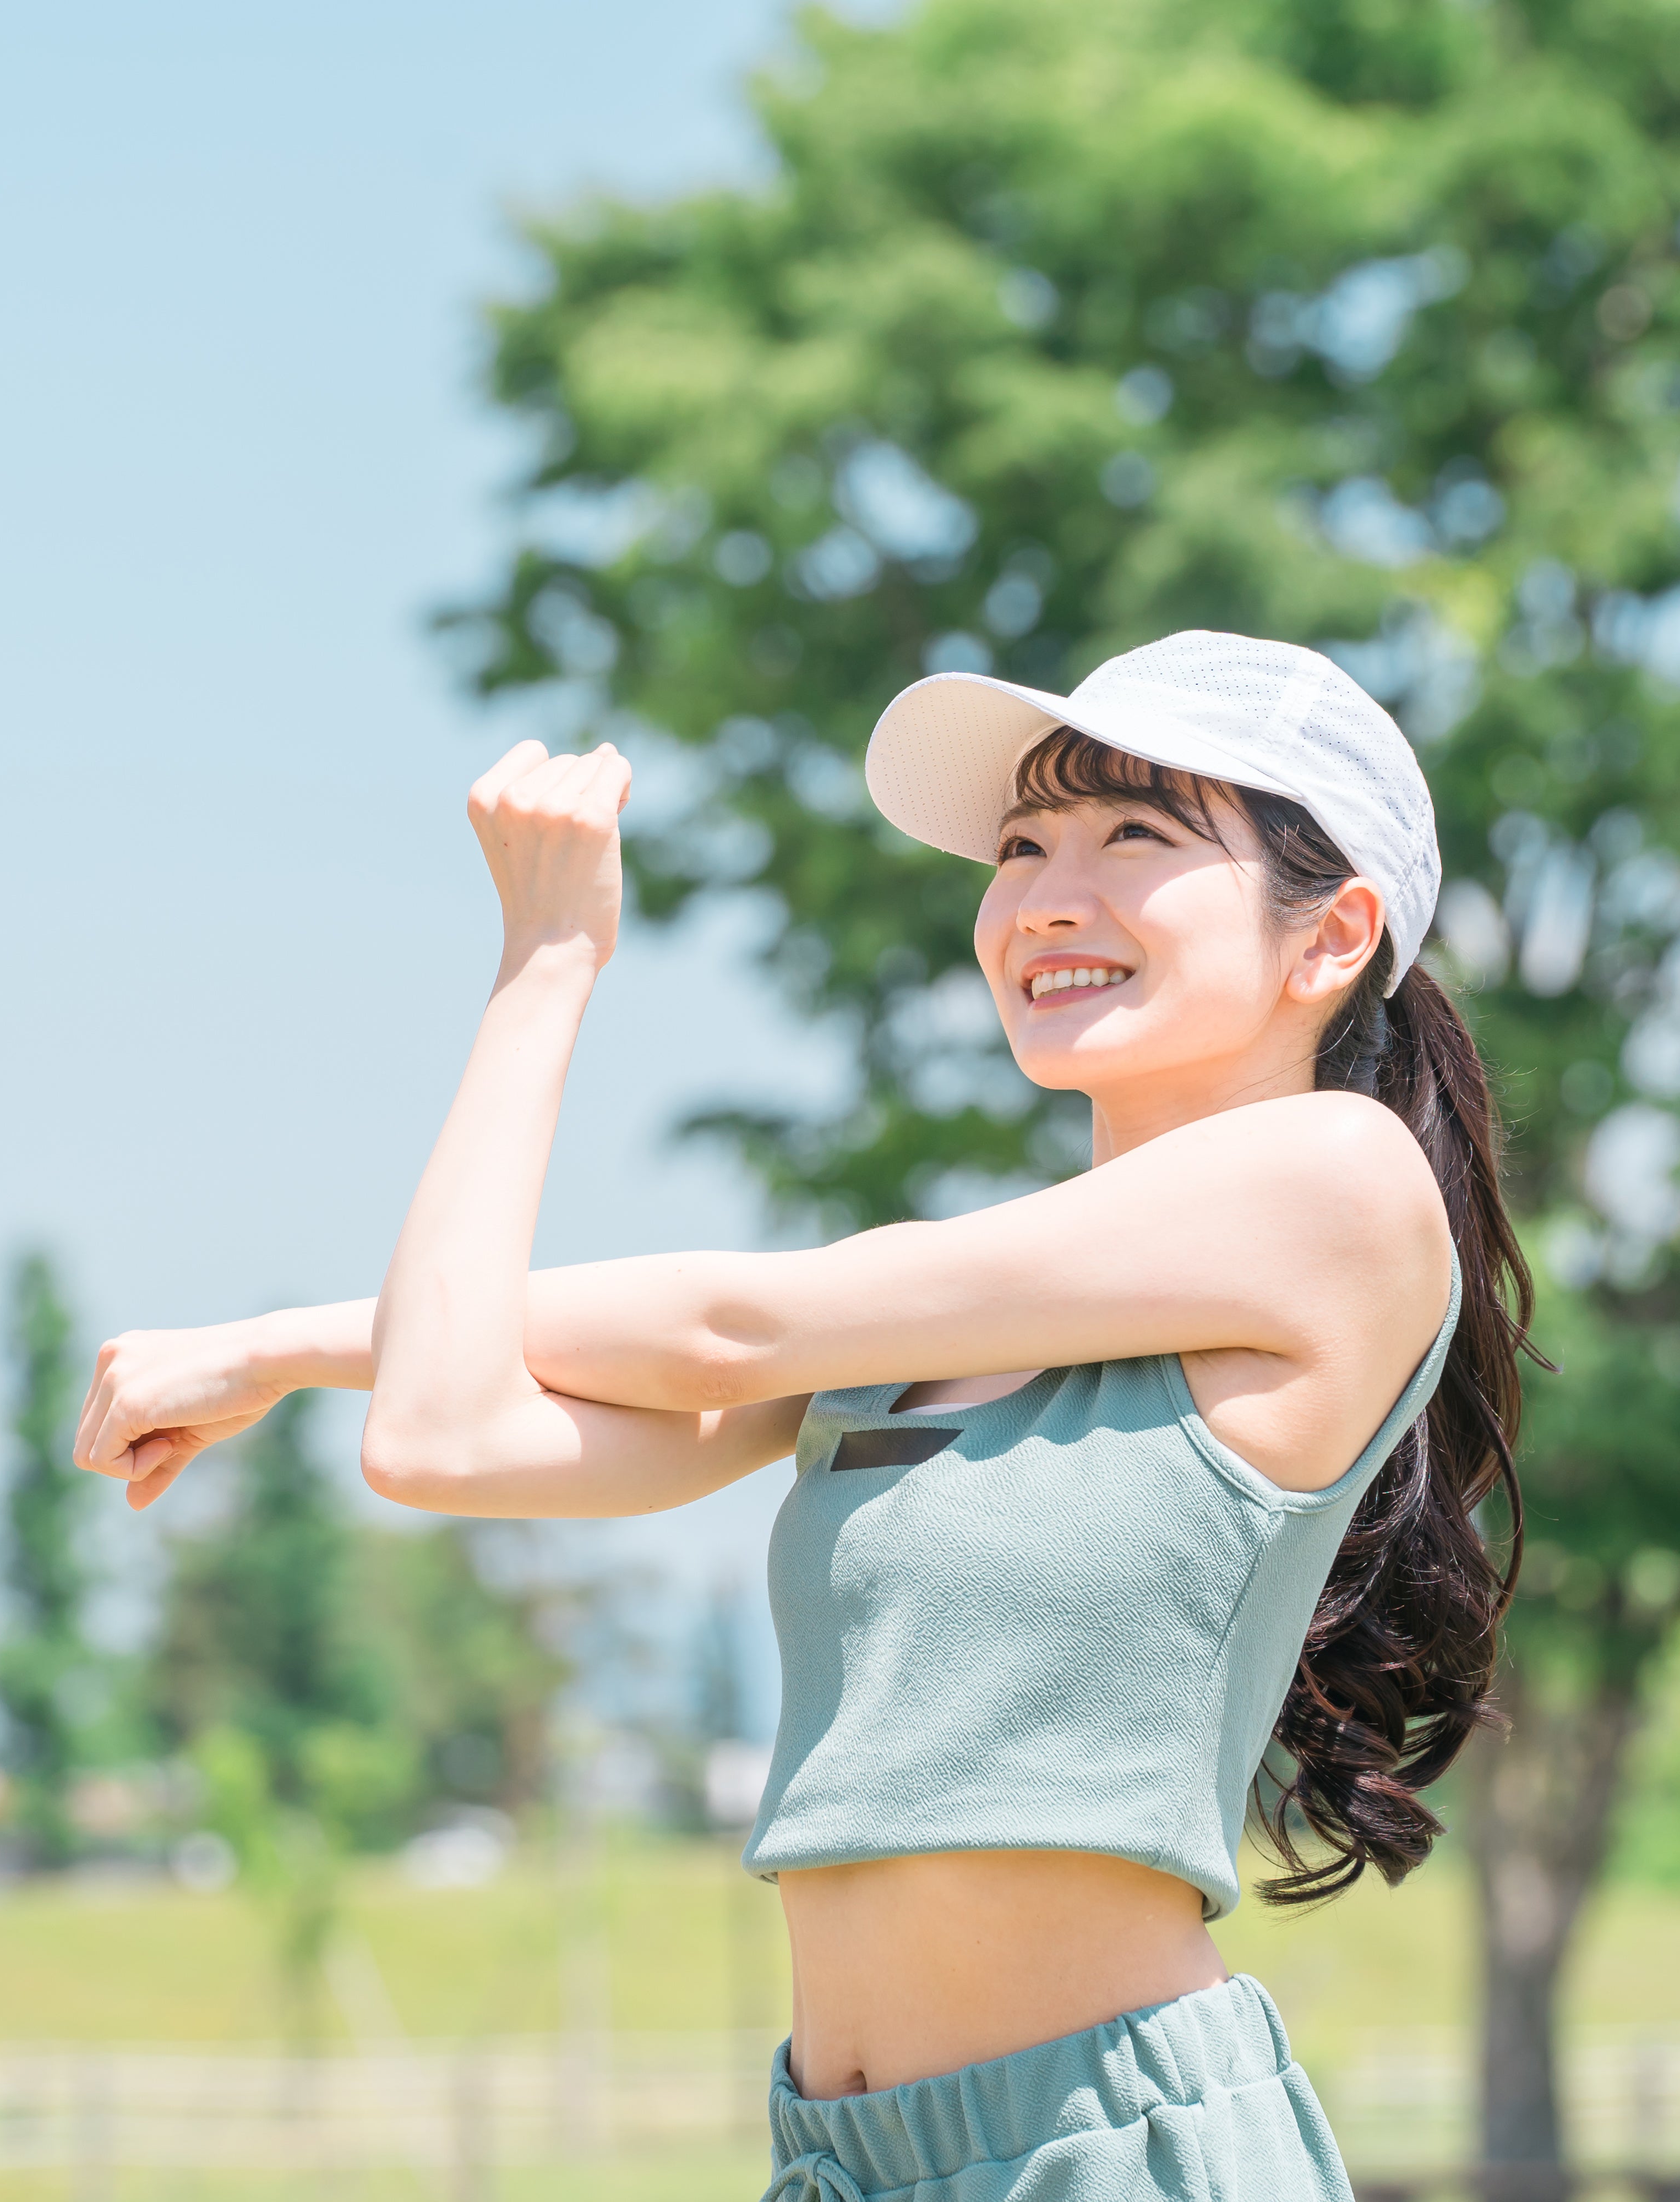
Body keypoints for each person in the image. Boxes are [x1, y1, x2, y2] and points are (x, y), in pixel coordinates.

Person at [74, 630, 1530, 2201]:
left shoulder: (1342, 1185)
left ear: (1333, 939)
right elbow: (446, 1431)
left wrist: (274, 1343)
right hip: (844, 2161)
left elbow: (727, 1326)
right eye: (1026, 845)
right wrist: (541, 972)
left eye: (1136, 839)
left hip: (1104, 2151)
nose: (1046, 895)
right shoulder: (937, 1323)